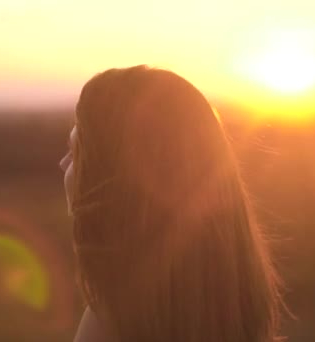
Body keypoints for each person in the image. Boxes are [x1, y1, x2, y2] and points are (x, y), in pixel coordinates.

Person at [59, 65, 281, 342]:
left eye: (76, 152)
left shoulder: (113, 320)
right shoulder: (232, 301)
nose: (63, 164)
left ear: (114, 180)